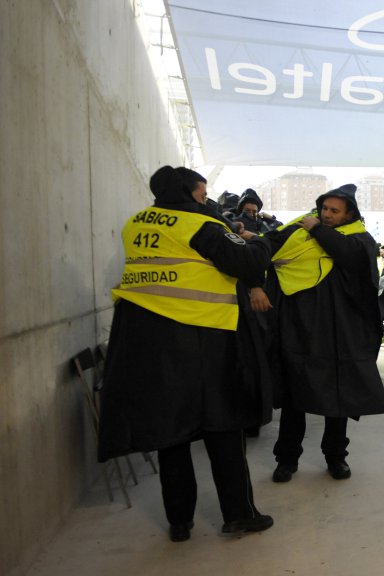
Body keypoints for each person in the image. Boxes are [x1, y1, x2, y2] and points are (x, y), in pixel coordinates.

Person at [98, 166, 274, 542]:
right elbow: (249, 262)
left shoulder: (135, 223)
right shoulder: (200, 224)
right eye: (203, 193)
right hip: (204, 338)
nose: (205, 199)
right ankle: (239, 514)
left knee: (171, 432)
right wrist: (256, 240)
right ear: (190, 193)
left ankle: (179, 522)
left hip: (151, 344)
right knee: (223, 426)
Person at [258, 184, 384, 484]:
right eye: (324, 209)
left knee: (338, 398)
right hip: (299, 329)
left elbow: (347, 255)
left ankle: (336, 457)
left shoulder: (359, 239)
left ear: (349, 215)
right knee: (294, 397)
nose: (327, 214)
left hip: (340, 333)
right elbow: (271, 246)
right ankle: (287, 459)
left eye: (334, 211)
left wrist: (316, 228)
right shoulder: (301, 232)